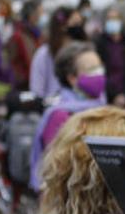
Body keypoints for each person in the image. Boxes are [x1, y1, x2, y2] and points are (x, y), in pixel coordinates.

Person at [29, 42, 107, 192]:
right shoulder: (61, 115)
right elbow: (53, 171)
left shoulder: (101, 107)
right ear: (72, 78)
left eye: (100, 68)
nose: (99, 74)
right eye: (92, 70)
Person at [93, 6, 125, 109]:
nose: (112, 22)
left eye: (115, 19)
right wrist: (114, 95)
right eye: (110, 19)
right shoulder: (100, 44)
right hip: (107, 98)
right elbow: (98, 73)